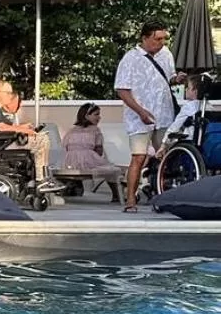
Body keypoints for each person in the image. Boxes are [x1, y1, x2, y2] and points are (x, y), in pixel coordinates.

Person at [115, 20, 183, 212]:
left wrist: (177, 79)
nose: (161, 42)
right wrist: (141, 112)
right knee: (138, 157)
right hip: (139, 117)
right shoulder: (130, 58)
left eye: (163, 39)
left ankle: (164, 195)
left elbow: (169, 77)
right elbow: (122, 89)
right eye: (157, 39)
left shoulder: (166, 54)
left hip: (164, 114)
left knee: (167, 156)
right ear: (145, 38)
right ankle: (130, 200)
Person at [0, 80, 61, 192]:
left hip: (5, 141)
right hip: (1, 144)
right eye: (7, 93)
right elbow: (2, 127)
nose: (10, 96)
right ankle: (41, 179)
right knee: (42, 140)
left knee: (42, 137)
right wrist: (22, 129)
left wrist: (23, 127)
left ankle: (42, 176)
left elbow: (6, 126)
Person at [61, 104, 125, 204]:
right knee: (111, 169)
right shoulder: (95, 130)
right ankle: (116, 195)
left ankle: (71, 186)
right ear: (87, 116)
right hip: (87, 160)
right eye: (96, 114)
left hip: (70, 162)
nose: (99, 117)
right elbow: (98, 150)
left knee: (104, 167)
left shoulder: (71, 130)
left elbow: (65, 147)